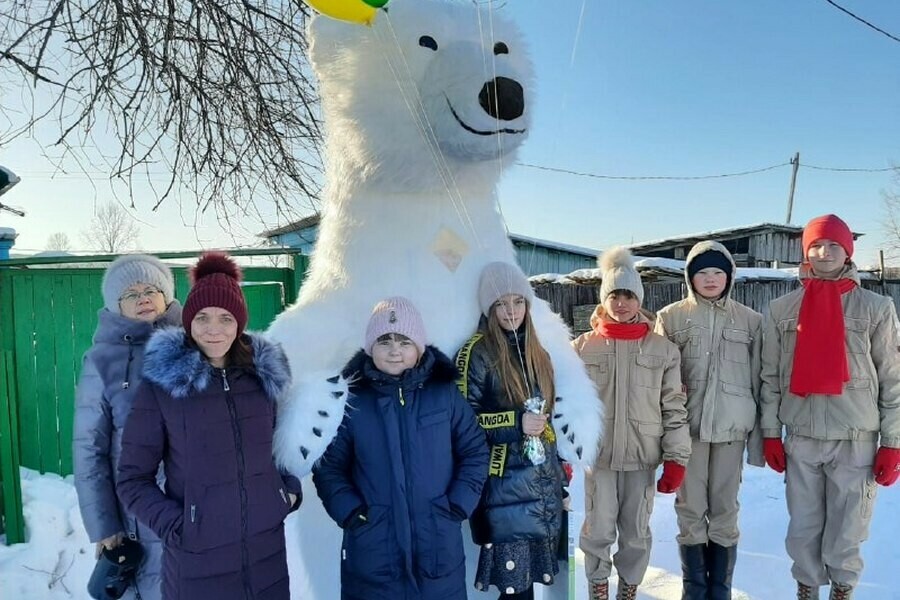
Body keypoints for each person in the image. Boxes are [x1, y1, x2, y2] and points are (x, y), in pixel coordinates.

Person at [116, 252, 301, 599]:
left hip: (267, 557)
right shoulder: (162, 386)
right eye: (202, 317)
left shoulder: (263, 379)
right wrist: (180, 526)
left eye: (225, 318)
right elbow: (132, 479)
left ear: (240, 322)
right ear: (188, 321)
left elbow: (281, 449)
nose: (213, 329)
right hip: (197, 565)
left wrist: (285, 493)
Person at [760, 214, 900, 600]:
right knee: (803, 526)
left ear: (848, 252)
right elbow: (770, 377)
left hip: (855, 437)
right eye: (816, 245)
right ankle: (806, 587)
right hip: (802, 437)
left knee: (848, 527)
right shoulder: (782, 309)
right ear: (806, 251)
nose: (824, 253)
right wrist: (771, 434)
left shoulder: (876, 307)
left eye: (833, 245)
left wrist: (892, 441)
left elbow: (892, 377)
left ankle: (842, 589)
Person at [312, 296, 489, 600]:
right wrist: (351, 512)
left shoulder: (443, 395)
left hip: (437, 546)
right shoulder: (352, 400)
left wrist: (458, 503)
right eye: (385, 340)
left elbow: (474, 450)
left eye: (404, 341)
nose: (395, 350)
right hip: (373, 552)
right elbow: (329, 466)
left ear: (418, 348)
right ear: (371, 347)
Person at [572, 247, 691, 600]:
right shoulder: (581, 348)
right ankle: (598, 588)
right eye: (614, 295)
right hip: (600, 460)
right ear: (603, 299)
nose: (621, 303)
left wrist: (677, 457)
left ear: (638, 298)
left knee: (636, 531)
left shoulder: (663, 350)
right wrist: (563, 451)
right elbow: (565, 403)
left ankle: (628, 589)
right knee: (597, 530)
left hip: (643, 457)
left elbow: (674, 407)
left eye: (628, 295)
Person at [456, 261, 573, 600]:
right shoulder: (476, 352)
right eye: (501, 303)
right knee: (515, 590)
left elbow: (549, 423)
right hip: (503, 491)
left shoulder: (540, 353)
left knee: (528, 588)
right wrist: (514, 423)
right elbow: (464, 420)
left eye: (518, 301)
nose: (511, 311)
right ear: (489, 308)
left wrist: (558, 478)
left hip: (540, 490)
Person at [654, 241, 764, 600]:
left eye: (718, 271)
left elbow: (762, 378)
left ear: (730, 276)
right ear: (690, 277)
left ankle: (721, 591)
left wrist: (762, 438)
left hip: (732, 430)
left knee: (725, 508)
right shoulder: (670, 318)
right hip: (689, 432)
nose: (711, 278)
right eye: (703, 272)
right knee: (690, 508)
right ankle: (694, 590)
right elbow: (658, 378)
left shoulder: (751, 320)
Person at [74, 254, 182, 600]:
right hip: (136, 512)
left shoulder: (195, 345)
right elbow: (89, 448)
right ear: (116, 306)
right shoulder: (102, 359)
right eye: (131, 294)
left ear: (168, 296)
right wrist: (105, 526)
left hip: (193, 506)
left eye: (151, 289)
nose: (143, 297)